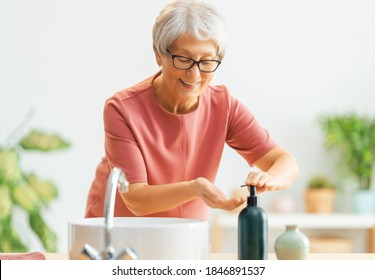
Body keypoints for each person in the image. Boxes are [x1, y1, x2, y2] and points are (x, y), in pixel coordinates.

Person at [85, 0, 299, 220]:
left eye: (206, 61)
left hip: (185, 233)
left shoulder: (223, 106)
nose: (194, 74)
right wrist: (195, 188)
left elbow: (285, 163)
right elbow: (136, 200)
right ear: (159, 54)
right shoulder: (122, 109)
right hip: (118, 231)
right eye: (183, 59)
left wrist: (271, 178)